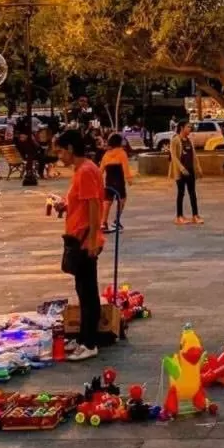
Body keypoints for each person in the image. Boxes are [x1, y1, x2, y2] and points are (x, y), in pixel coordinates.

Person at [56, 129, 105, 361]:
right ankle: (86, 337)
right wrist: (65, 206)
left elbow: (95, 206)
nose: (59, 156)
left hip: (86, 240)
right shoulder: (82, 170)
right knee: (83, 290)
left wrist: (93, 239)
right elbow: (82, 203)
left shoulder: (86, 171)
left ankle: (89, 342)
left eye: (60, 150)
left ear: (71, 149)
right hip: (81, 236)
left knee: (88, 293)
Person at [169, 121, 203, 225]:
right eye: (188, 127)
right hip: (181, 172)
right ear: (182, 128)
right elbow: (173, 156)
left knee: (192, 193)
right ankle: (179, 216)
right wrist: (181, 168)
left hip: (190, 170)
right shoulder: (175, 140)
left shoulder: (189, 140)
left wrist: (198, 167)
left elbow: (194, 155)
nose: (190, 129)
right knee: (181, 193)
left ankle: (195, 215)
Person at [100, 133, 133, 232]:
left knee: (107, 202)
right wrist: (129, 179)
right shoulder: (122, 153)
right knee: (122, 200)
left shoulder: (106, 155)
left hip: (109, 182)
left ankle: (103, 223)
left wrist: (97, 180)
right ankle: (116, 221)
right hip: (119, 182)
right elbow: (125, 168)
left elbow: (100, 170)